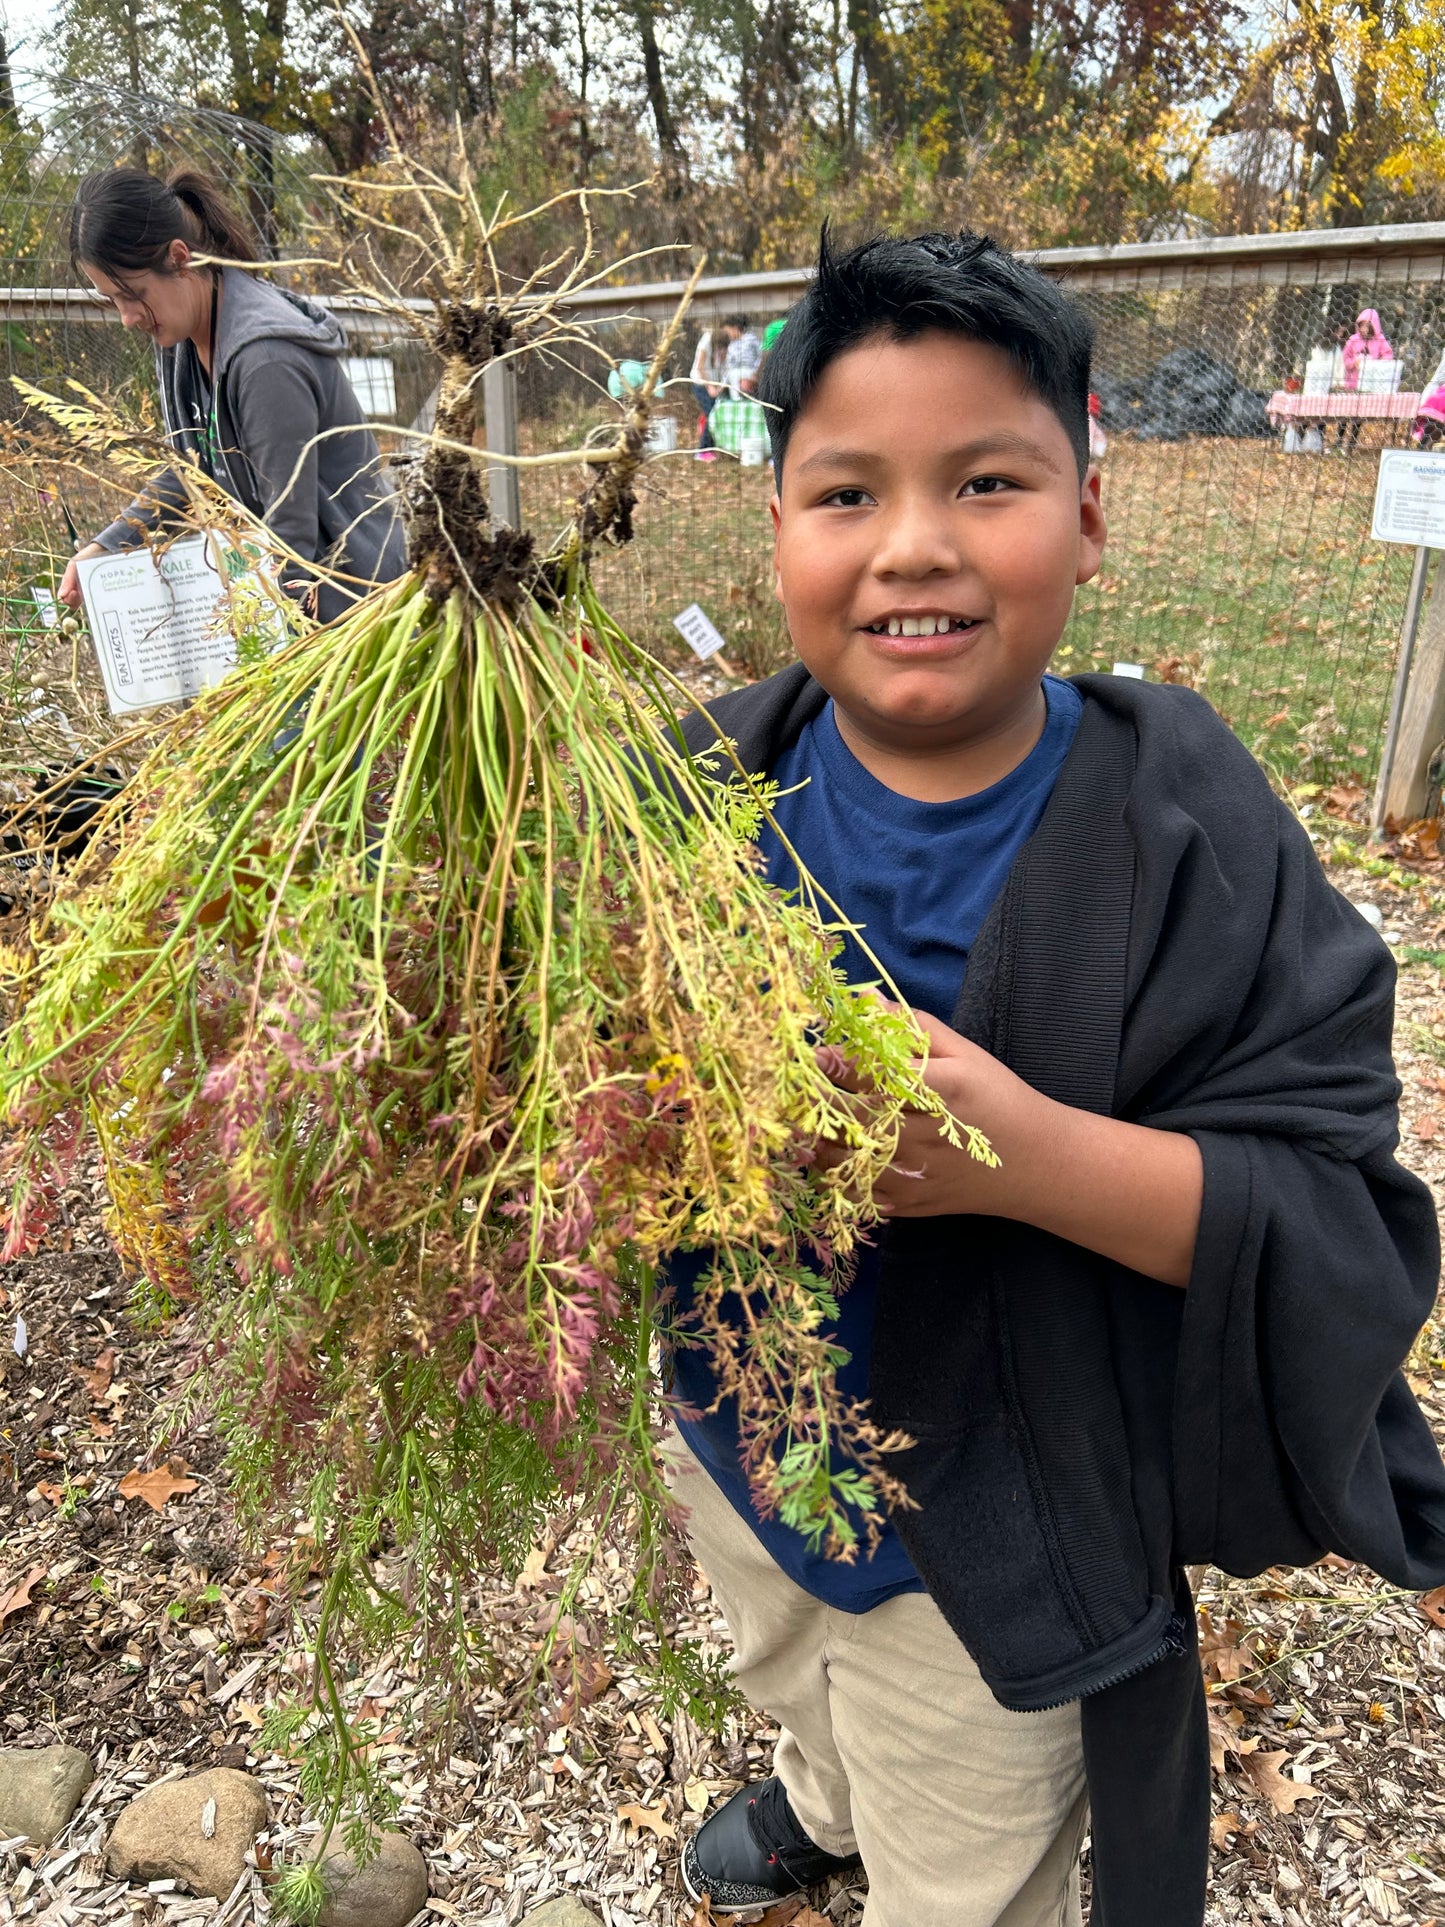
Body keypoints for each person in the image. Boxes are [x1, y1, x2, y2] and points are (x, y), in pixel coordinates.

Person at [660, 228, 1445, 1927]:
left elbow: (1328, 1214)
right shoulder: (699, 795)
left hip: (990, 1523)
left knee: (969, 1857)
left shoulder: (1190, 830)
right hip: (741, 1419)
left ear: (1090, 512)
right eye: (847, 492)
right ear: (775, 523)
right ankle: (821, 1793)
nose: (915, 545)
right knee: (781, 1645)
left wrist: (1012, 1153)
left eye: (989, 480)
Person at [59, 167, 406, 624]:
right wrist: (107, 546)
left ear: (179, 258)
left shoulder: (265, 362)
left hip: (349, 599)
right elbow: (194, 465)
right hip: (285, 585)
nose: (126, 317)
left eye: (133, 294)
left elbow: (290, 541)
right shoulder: (182, 333)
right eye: (113, 300)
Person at [1337, 306, 1395, 452]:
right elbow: (1345, 359)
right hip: (1352, 382)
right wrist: (1353, 363)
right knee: (1345, 412)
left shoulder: (1380, 341)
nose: (1363, 329)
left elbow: (1388, 357)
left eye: (1367, 326)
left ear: (1373, 326)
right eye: (1361, 325)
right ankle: (1339, 441)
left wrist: (1376, 365)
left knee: (1359, 414)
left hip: (1369, 383)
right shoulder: (1353, 340)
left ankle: (1351, 443)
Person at [690, 325, 730, 453]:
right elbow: (700, 367)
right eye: (720, 348)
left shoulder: (723, 347)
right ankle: (703, 450)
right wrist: (710, 386)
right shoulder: (706, 342)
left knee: (716, 414)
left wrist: (721, 386)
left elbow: (724, 368)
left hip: (714, 384)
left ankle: (712, 447)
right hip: (700, 384)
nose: (722, 350)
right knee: (711, 414)